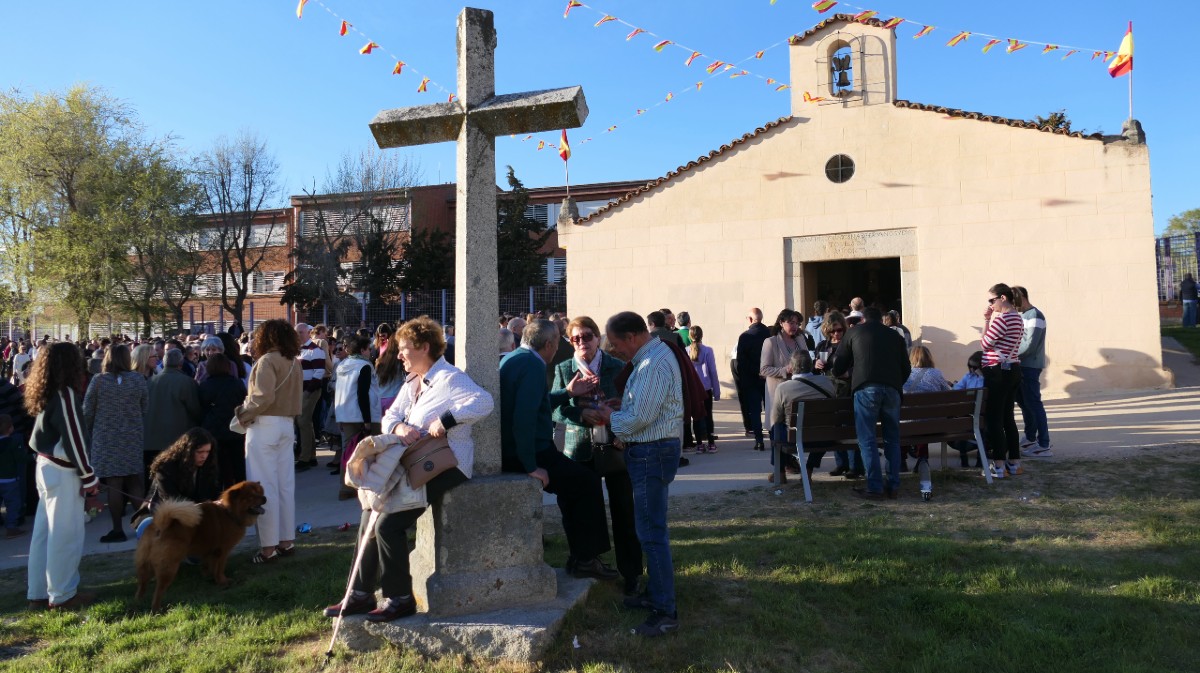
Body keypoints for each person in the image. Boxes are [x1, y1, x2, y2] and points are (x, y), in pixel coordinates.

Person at [325, 316, 493, 622]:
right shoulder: (413, 379)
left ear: (424, 347)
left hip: (446, 464)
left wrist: (446, 421)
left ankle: (400, 598)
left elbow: (484, 402)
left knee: (389, 524)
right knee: (368, 514)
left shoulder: (450, 378)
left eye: (403, 348)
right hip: (411, 461)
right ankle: (359, 594)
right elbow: (390, 417)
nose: (398, 354)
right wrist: (400, 427)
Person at [500, 320, 620, 582]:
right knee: (587, 484)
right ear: (550, 344)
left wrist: (567, 393)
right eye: (561, 342)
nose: (562, 347)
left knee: (577, 486)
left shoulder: (517, 359)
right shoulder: (532, 365)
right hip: (531, 453)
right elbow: (523, 418)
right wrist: (531, 466)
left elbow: (539, 403)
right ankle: (586, 559)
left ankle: (582, 557)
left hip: (529, 450)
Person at [587, 311, 683, 638]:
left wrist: (608, 417)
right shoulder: (651, 357)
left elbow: (640, 417)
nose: (615, 351)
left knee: (652, 533)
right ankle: (657, 596)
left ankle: (664, 611)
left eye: (616, 345)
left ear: (632, 337)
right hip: (651, 451)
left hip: (651, 452)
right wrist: (620, 406)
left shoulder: (653, 362)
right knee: (649, 530)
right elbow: (641, 408)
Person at [550, 316, 642, 595]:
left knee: (624, 510)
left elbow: (633, 405)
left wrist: (622, 434)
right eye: (575, 338)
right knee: (581, 509)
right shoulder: (565, 369)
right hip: (580, 448)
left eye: (586, 336)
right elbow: (555, 409)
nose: (581, 343)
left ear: (598, 337)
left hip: (615, 446)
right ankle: (586, 559)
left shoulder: (617, 366)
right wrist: (580, 413)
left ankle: (632, 573)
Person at [25, 342, 101, 610]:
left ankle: (38, 593)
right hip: (62, 469)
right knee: (65, 535)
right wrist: (89, 477)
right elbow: (75, 441)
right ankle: (63, 594)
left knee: (44, 534)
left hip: (46, 465)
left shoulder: (46, 391)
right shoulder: (64, 394)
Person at [234, 319, 303, 564]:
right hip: (286, 424)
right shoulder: (294, 362)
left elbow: (262, 397)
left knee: (264, 488)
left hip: (265, 425)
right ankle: (286, 541)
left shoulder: (266, 361)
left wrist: (242, 415)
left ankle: (268, 547)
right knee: (285, 486)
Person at [832, 307, 911, 500]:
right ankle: (893, 485)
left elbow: (838, 367)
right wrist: (893, 384)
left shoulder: (854, 332)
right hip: (892, 390)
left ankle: (875, 486)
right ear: (882, 319)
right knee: (892, 438)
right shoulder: (895, 336)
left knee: (867, 438)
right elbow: (906, 369)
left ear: (863, 319)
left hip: (866, 388)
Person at [81, 344, 149, 543]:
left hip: (106, 438)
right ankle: (147, 524)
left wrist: (95, 427)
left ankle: (117, 529)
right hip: (132, 436)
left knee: (114, 483)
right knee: (134, 481)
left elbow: (87, 411)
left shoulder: (99, 381)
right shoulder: (138, 379)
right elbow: (145, 407)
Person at [770, 349, 835, 482]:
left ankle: (780, 472)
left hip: (795, 437)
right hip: (825, 436)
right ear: (811, 365)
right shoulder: (826, 382)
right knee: (821, 428)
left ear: (792, 367)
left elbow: (776, 418)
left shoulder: (783, 388)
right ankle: (809, 470)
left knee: (775, 430)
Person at [980, 283, 1024, 479]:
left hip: (997, 371)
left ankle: (998, 465)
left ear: (1002, 298)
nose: (991, 305)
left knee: (994, 419)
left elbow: (985, 343)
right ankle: (1014, 462)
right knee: (1008, 418)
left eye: (992, 300)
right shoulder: (1018, 318)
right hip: (1013, 368)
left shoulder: (1002, 320)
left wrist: (987, 321)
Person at [812, 311, 863, 478]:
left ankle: (855, 466)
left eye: (839, 330)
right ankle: (841, 464)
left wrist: (848, 373)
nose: (836, 334)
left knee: (849, 428)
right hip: (828, 390)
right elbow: (812, 369)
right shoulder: (822, 346)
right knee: (834, 427)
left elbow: (861, 367)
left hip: (847, 390)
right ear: (826, 330)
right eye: (832, 331)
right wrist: (816, 364)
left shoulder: (851, 345)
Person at [334, 335, 381, 498]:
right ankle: (368, 487)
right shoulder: (364, 366)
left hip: (345, 414)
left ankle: (345, 487)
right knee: (369, 452)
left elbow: (339, 392)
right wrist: (367, 421)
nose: (370, 352)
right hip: (363, 415)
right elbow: (363, 394)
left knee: (348, 452)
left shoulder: (342, 365)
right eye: (368, 349)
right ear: (362, 350)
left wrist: (339, 416)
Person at [1011, 286, 1052, 458]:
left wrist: (1008, 354)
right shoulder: (1024, 316)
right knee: (1025, 404)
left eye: (1013, 302)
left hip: (1029, 366)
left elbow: (1029, 345)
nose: (1013, 307)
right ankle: (1030, 437)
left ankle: (1044, 444)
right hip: (1020, 365)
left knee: (1034, 404)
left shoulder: (1035, 316)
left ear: (1020, 298)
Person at [143, 427, 221, 518]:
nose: (204, 456)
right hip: (161, 515)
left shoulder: (208, 465)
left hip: (193, 513)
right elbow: (171, 499)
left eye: (207, 451)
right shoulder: (166, 467)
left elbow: (212, 492)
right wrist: (204, 505)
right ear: (188, 451)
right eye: (200, 452)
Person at [197, 353, 248, 489]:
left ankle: (218, 497)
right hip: (235, 429)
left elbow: (201, 408)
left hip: (213, 431)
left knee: (216, 468)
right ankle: (241, 495)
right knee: (238, 466)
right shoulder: (237, 384)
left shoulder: (205, 386)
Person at [760, 309, 805, 429]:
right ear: (781, 322)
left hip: (798, 391)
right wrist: (785, 370)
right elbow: (764, 370)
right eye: (791, 322)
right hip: (779, 392)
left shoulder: (800, 339)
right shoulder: (771, 342)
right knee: (778, 431)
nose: (795, 326)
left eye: (797, 323)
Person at [735, 308, 770, 450]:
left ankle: (759, 440)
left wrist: (755, 371)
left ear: (750, 319)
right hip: (769, 377)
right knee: (771, 409)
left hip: (751, 379)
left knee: (755, 411)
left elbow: (741, 361)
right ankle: (774, 437)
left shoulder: (745, 336)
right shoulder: (770, 334)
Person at [294, 322, 328, 472]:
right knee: (305, 422)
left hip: (309, 390)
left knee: (303, 421)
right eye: (297, 333)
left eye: (300, 332)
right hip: (300, 390)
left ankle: (305, 457)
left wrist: (308, 391)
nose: (298, 335)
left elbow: (319, 372)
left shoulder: (315, 350)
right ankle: (311, 455)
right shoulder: (297, 351)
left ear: (308, 333)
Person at [950, 351, 986, 468]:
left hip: (981, 414)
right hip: (968, 413)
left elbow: (981, 390)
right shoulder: (968, 377)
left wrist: (981, 376)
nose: (971, 370)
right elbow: (957, 389)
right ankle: (964, 458)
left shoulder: (985, 379)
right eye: (969, 366)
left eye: (974, 367)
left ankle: (979, 460)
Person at [688, 325, 720, 452]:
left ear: (690, 337)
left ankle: (699, 444)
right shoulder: (708, 350)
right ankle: (711, 443)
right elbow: (713, 371)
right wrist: (716, 391)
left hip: (694, 389)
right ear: (702, 336)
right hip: (706, 388)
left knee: (696, 416)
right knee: (708, 415)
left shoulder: (686, 350)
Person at [0, 415, 26, 539]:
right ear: (10, 428)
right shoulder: (13, 443)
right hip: (10, 479)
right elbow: (21, 458)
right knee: (13, 504)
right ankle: (11, 527)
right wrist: (33, 457)